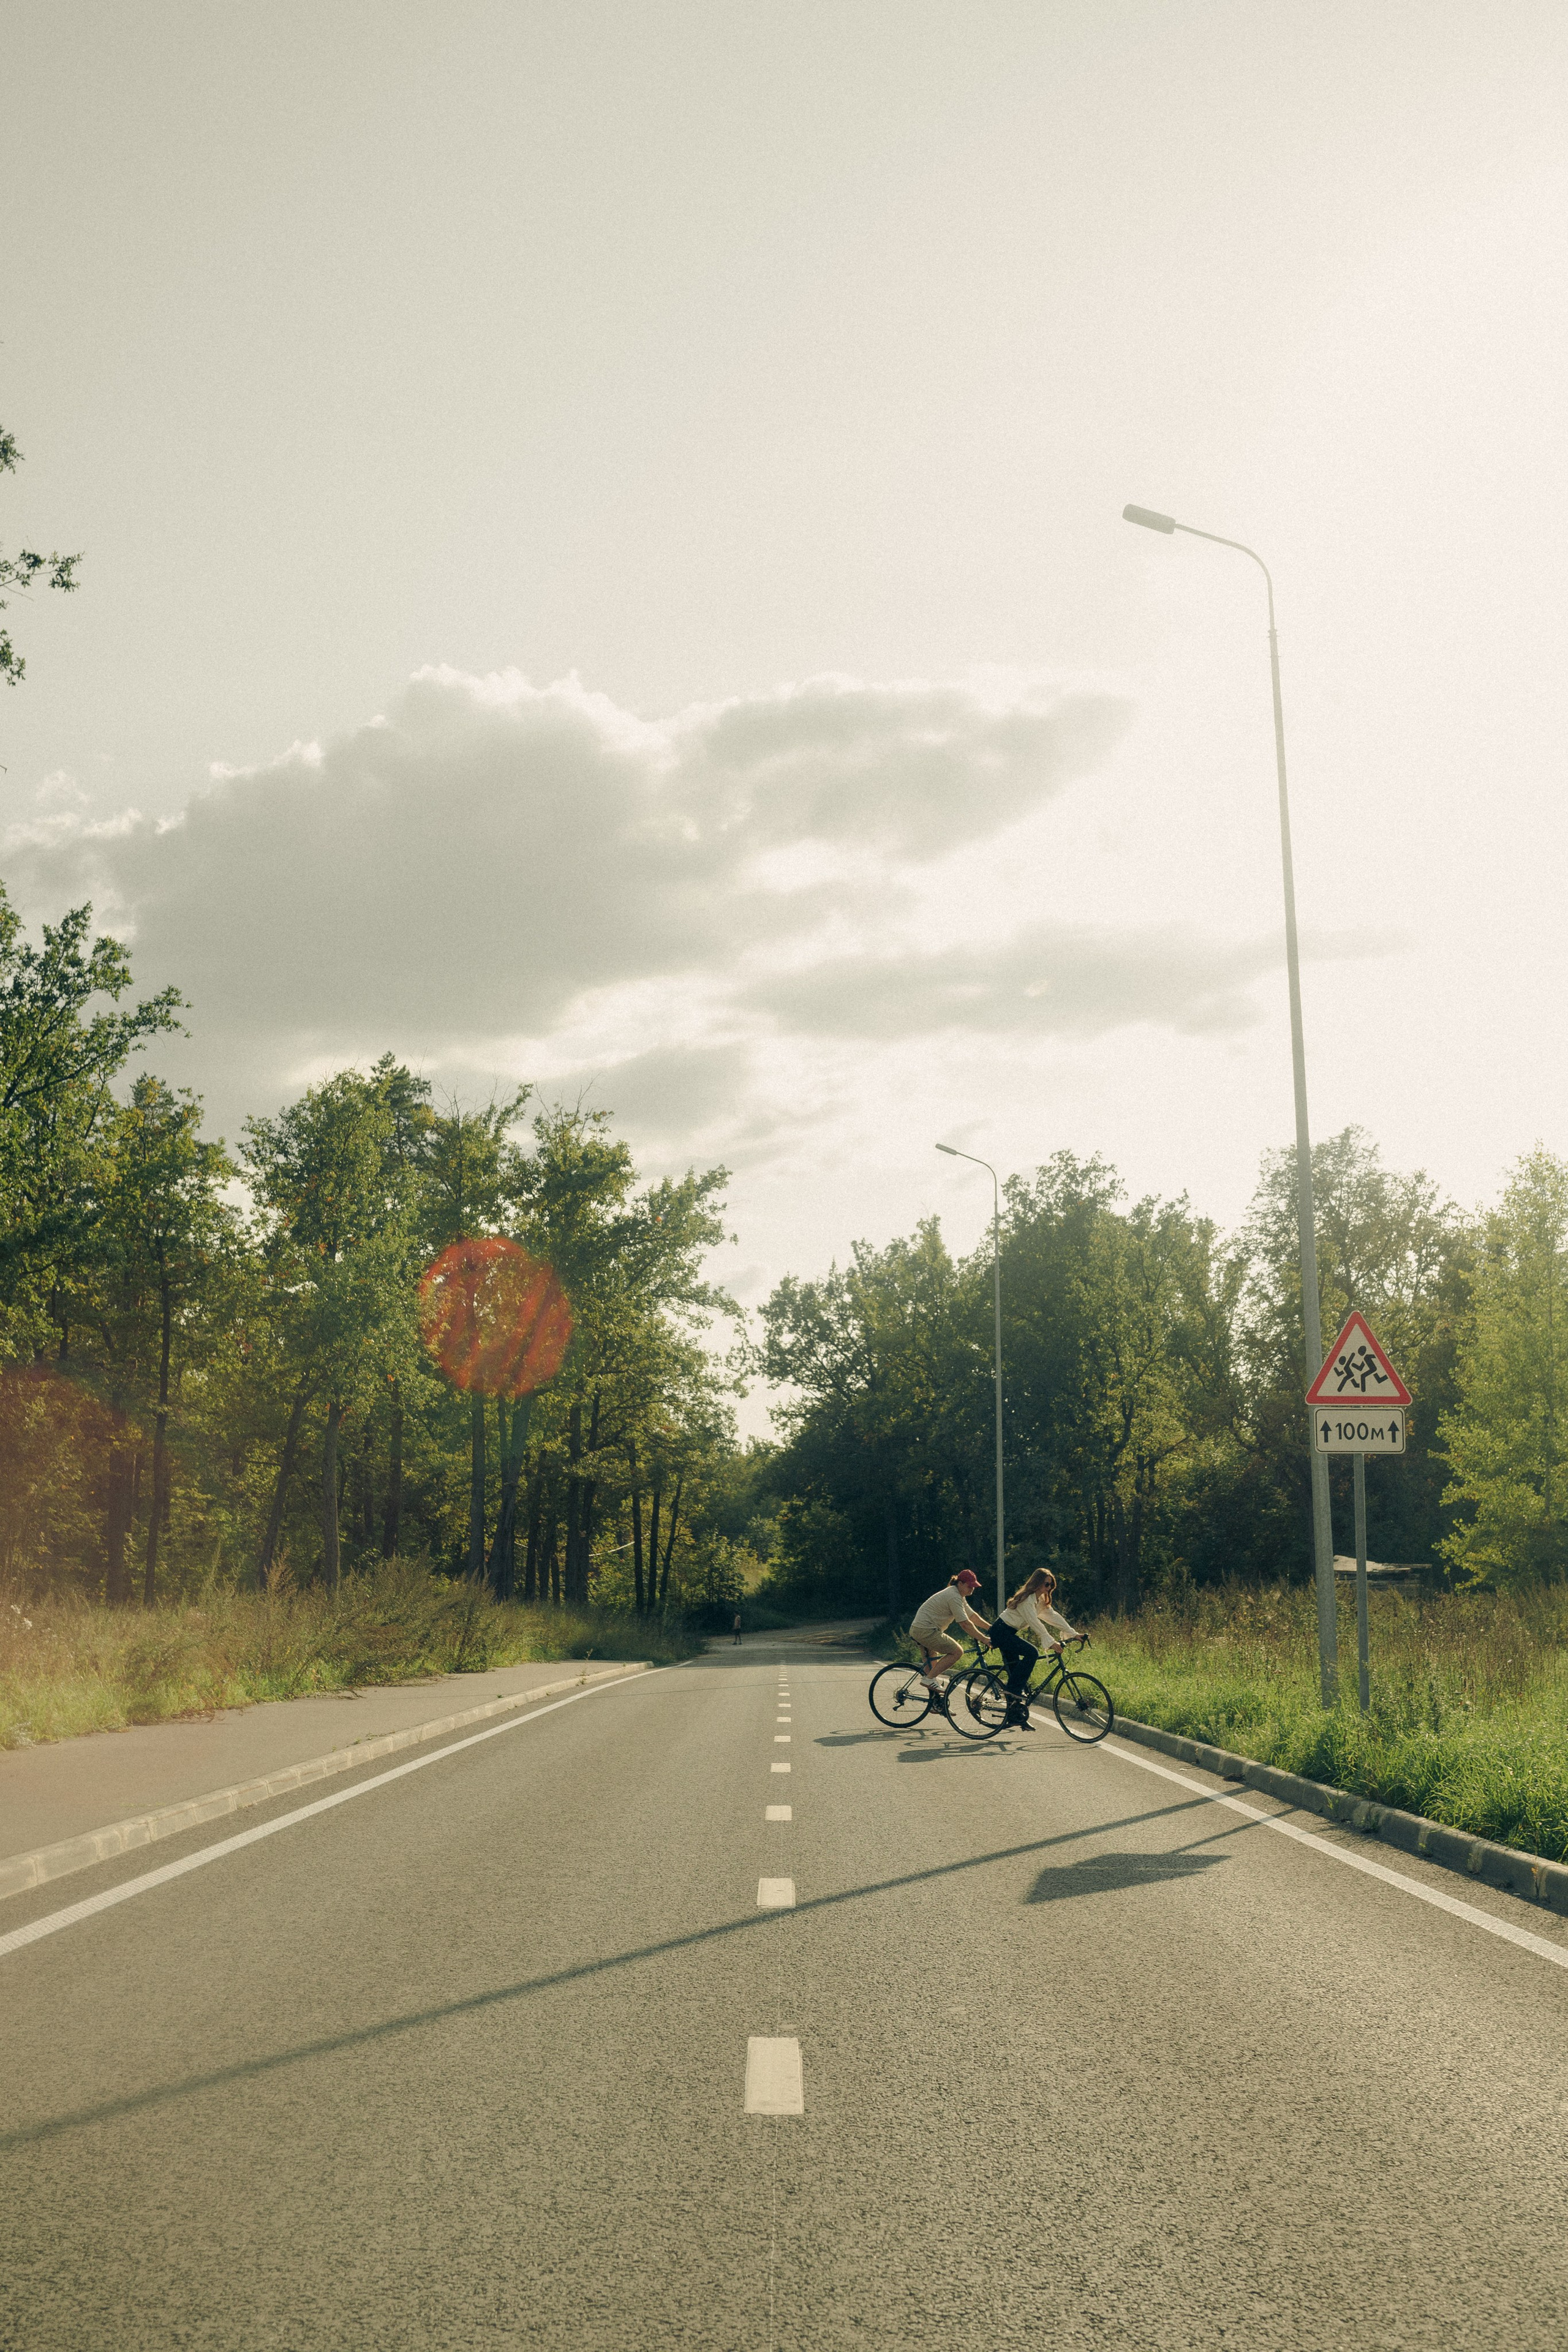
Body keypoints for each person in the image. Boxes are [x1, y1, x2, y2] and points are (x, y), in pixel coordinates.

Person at [988, 1568, 1080, 1727]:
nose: (1049, 1588)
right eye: (1046, 1584)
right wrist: (1051, 1642)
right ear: (1037, 1583)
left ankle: (1016, 1716)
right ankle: (1013, 1691)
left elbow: (1053, 1616)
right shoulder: (1026, 1600)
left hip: (1009, 1633)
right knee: (1032, 1653)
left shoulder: (1040, 1600)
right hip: (1001, 1632)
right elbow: (1034, 1623)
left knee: (1016, 1673)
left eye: (1051, 1585)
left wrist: (1074, 1634)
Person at [907, 1569, 991, 1688]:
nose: (972, 1589)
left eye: (974, 1586)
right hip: (926, 1631)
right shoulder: (954, 1596)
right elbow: (965, 1624)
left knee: (932, 1670)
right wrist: (983, 1639)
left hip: (923, 1630)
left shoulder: (958, 1595)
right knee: (957, 1652)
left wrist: (991, 1628)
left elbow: (972, 1616)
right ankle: (929, 1680)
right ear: (960, 1583)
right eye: (970, 1586)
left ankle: (934, 1695)